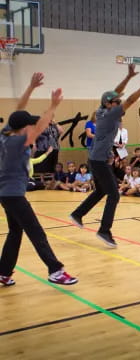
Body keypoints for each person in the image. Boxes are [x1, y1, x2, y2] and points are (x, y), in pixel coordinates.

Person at [0, 77, 77, 286]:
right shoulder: (18, 141)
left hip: (6, 194)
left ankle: (3, 272)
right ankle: (55, 270)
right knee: (36, 231)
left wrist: (31, 88)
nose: (32, 126)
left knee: (16, 231)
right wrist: (53, 105)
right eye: (29, 125)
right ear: (24, 128)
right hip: (14, 195)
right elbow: (41, 126)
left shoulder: (6, 134)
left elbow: (18, 110)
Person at [70, 64, 140, 247]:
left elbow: (115, 93)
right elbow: (129, 100)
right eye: (116, 102)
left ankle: (77, 214)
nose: (118, 103)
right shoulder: (111, 113)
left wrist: (129, 77)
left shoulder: (102, 109)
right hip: (98, 160)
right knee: (113, 195)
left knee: (101, 190)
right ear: (109, 104)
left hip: (96, 157)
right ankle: (104, 231)